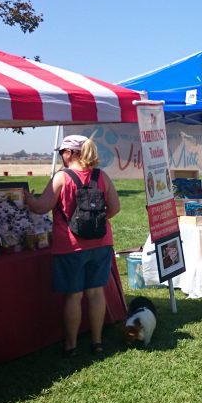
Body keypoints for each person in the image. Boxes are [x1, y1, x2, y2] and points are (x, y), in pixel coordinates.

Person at [24, 134, 120, 359]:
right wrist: (96, 222)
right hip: (101, 243)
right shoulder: (102, 176)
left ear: (70, 153)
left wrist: (27, 198)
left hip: (70, 245)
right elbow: (115, 207)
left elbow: (41, 207)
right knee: (96, 293)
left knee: (73, 296)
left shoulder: (62, 177)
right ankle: (97, 342)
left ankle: (71, 345)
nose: (61, 156)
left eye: (62, 152)